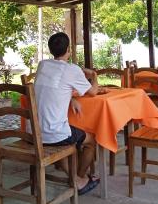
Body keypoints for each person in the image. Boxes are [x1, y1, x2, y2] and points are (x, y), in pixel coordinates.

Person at [34, 32, 100, 195]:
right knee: (91, 140)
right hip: (54, 134)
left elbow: (52, 88)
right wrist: (94, 75)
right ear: (69, 49)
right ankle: (80, 178)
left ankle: (74, 178)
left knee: (64, 134)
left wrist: (70, 99)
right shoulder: (73, 69)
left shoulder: (42, 65)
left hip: (34, 134)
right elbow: (93, 92)